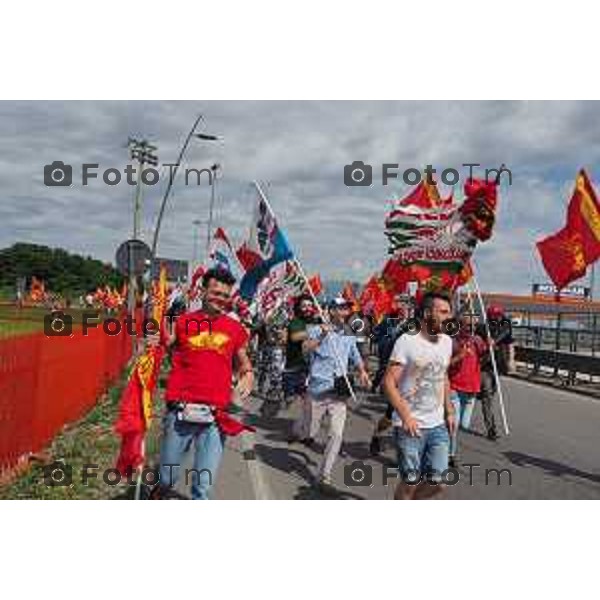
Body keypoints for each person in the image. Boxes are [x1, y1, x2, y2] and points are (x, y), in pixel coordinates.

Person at [153, 267, 254, 500]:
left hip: (215, 416)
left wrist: (247, 373)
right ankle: (159, 492)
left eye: (226, 295)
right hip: (180, 411)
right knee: (167, 477)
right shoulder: (183, 322)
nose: (221, 299)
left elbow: (242, 358)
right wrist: (161, 343)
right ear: (203, 291)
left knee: (203, 486)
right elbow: (168, 350)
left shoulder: (234, 328)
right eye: (216, 292)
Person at [383, 292, 456, 500]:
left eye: (449, 312)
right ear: (426, 313)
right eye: (443, 312)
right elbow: (388, 382)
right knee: (410, 482)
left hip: (437, 425)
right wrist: (406, 416)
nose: (449, 317)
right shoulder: (407, 341)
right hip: (410, 426)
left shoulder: (447, 342)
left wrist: (449, 410)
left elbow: (443, 376)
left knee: (439, 483)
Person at [303, 297, 371, 488]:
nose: (345, 312)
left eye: (347, 308)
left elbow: (354, 354)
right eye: (341, 308)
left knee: (336, 434)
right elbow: (306, 350)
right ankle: (303, 430)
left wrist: (362, 371)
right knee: (310, 431)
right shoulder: (316, 329)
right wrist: (321, 336)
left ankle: (324, 475)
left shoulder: (349, 334)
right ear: (331, 311)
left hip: (338, 390)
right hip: (317, 389)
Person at [448, 311, 487, 467]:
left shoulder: (477, 340)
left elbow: (484, 358)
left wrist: (489, 347)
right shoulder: (452, 342)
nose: (471, 328)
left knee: (464, 425)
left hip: (471, 389)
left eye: (474, 325)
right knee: (455, 425)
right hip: (454, 387)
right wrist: (460, 355)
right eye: (468, 325)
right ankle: (450, 454)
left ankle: (441, 436)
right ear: (460, 325)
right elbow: (444, 364)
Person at [476, 305, 513, 441]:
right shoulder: (482, 328)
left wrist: (511, 360)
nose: (497, 318)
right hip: (485, 365)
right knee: (487, 395)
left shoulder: (506, 326)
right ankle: (491, 428)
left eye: (499, 316)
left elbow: (509, 343)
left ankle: (479, 393)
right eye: (494, 316)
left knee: (492, 392)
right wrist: (486, 343)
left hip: (498, 365)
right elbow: (476, 343)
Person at [285, 296, 316, 442]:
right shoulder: (296, 322)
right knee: (303, 402)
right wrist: (316, 330)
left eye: (310, 305)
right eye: (304, 306)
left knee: (309, 402)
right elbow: (295, 337)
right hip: (296, 368)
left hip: (312, 369)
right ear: (298, 307)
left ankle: (303, 432)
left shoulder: (316, 321)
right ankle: (300, 430)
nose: (308, 308)